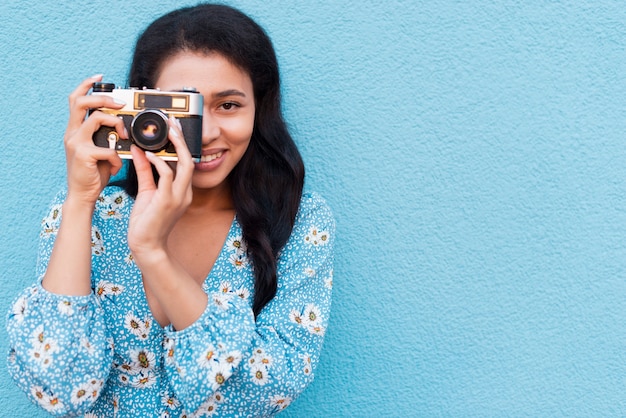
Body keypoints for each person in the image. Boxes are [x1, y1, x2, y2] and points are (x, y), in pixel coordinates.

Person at [6, 4, 335, 417]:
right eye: (184, 109)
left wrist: (153, 254)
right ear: (141, 109)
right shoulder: (90, 211)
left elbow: (265, 392)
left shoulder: (296, 219)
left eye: (229, 105)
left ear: (259, 109)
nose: (207, 133)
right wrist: (80, 199)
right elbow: (57, 388)